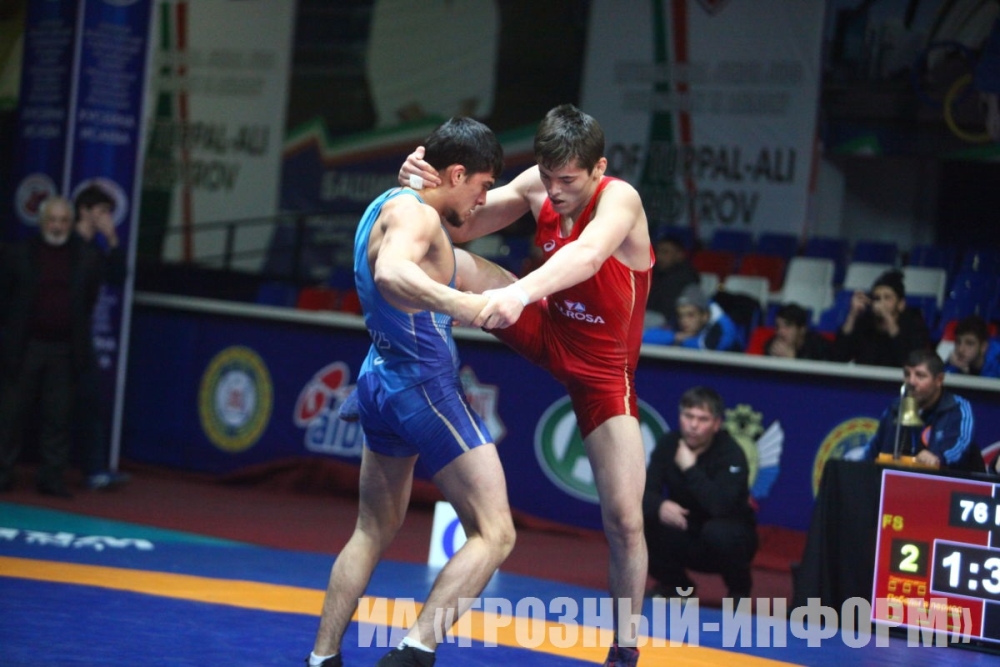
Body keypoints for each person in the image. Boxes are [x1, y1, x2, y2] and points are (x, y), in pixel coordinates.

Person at [400, 104, 653, 666]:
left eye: (569, 181)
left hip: (603, 371)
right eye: (547, 176)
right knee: (453, 260)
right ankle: (395, 352)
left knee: (625, 519)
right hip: (546, 329)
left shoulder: (621, 200)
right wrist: (420, 190)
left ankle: (624, 650)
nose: (555, 191)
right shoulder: (538, 186)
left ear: (598, 168)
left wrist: (516, 293)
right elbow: (458, 222)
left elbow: (587, 255)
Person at [308, 117, 515, 667]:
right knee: (495, 532)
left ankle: (322, 658)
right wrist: (460, 305)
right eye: (482, 186)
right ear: (455, 174)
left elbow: (468, 271)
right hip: (424, 386)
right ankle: (413, 654)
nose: (483, 201)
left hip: (380, 381)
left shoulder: (388, 204)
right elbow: (392, 274)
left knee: (372, 529)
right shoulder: (416, 215)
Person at [0, 196, 121, 497]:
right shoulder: (18, 253)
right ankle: (2, 473)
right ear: (42, 222)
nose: (57, 226)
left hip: (65, 350)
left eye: (64, 220)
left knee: (58, 418)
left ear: (71, 223)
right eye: (52, 220)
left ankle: (51, 478)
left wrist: (112, 239)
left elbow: (107, 283)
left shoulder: (85, 256)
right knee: (10, 416)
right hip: (25, 347)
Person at [642, 386, 757, 600]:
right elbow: (643, 493)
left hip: (727, 537)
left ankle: (739, 591)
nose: (693, 425)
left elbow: (720, 507)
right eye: (688, 416)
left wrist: (689, 468)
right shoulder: (669, 444)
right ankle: (677, 587)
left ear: (716, 424)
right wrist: (659, 506)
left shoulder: (731, 453)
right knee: (638, 521)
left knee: (719, 532)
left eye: (702, 419)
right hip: (684, 529)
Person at [72, 184, 130, 490]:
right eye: (102, 211)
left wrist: (113, 240)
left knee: (91, 400)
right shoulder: (65, 244)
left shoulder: (96, 250)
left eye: (109, 212)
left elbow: (118, 277)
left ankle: (94, 470)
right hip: (50, 335)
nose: (107, 217)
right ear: (84, 211)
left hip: (81, 337)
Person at [858, 349, 981, 471]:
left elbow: (959, 448)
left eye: (920, 375)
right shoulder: (896, 408)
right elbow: (873, 451)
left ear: (939, 380)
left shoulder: (956, 407)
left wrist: (938, 458)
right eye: (907, 374)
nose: (911, 382)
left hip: (944, 480)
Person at [831, 269, 931, 367]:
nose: (881, 303)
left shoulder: (914, 324)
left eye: (887, 298)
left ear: (901, 304)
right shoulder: (865, 323)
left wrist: (888, 318)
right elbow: (839, 357)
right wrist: (852, 315)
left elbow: (910, 362)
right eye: (877, 298)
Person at [642, 284, 743, 352]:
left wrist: (682, 341)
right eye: (681, 315)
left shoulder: (721, 327)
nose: (684, 320)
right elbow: (645, 337)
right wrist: (677, 337)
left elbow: (708, 348)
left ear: (705, 316)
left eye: (690, 315)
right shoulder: (678, 323)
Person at [646, 233, 699, 329]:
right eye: (658, 252)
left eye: (665, 252)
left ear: (679, 254)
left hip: (669, 321)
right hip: (648, 315)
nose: (659, 256)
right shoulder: (655, 272)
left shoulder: (686, 276)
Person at [764, 302, 832, 361]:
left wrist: (793, 360)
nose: (780, 331)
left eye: (787, 326)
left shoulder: (820, 348)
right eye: (778, 326)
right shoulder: (771, 345)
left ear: (802, 330)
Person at [945, 314, 1000, 379]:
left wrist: (965, 374)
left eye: (969, 343)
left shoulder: (997, 367)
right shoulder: (953, 364)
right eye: (958, 342)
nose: (960, 350)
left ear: (983, 347)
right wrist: (957, 370)